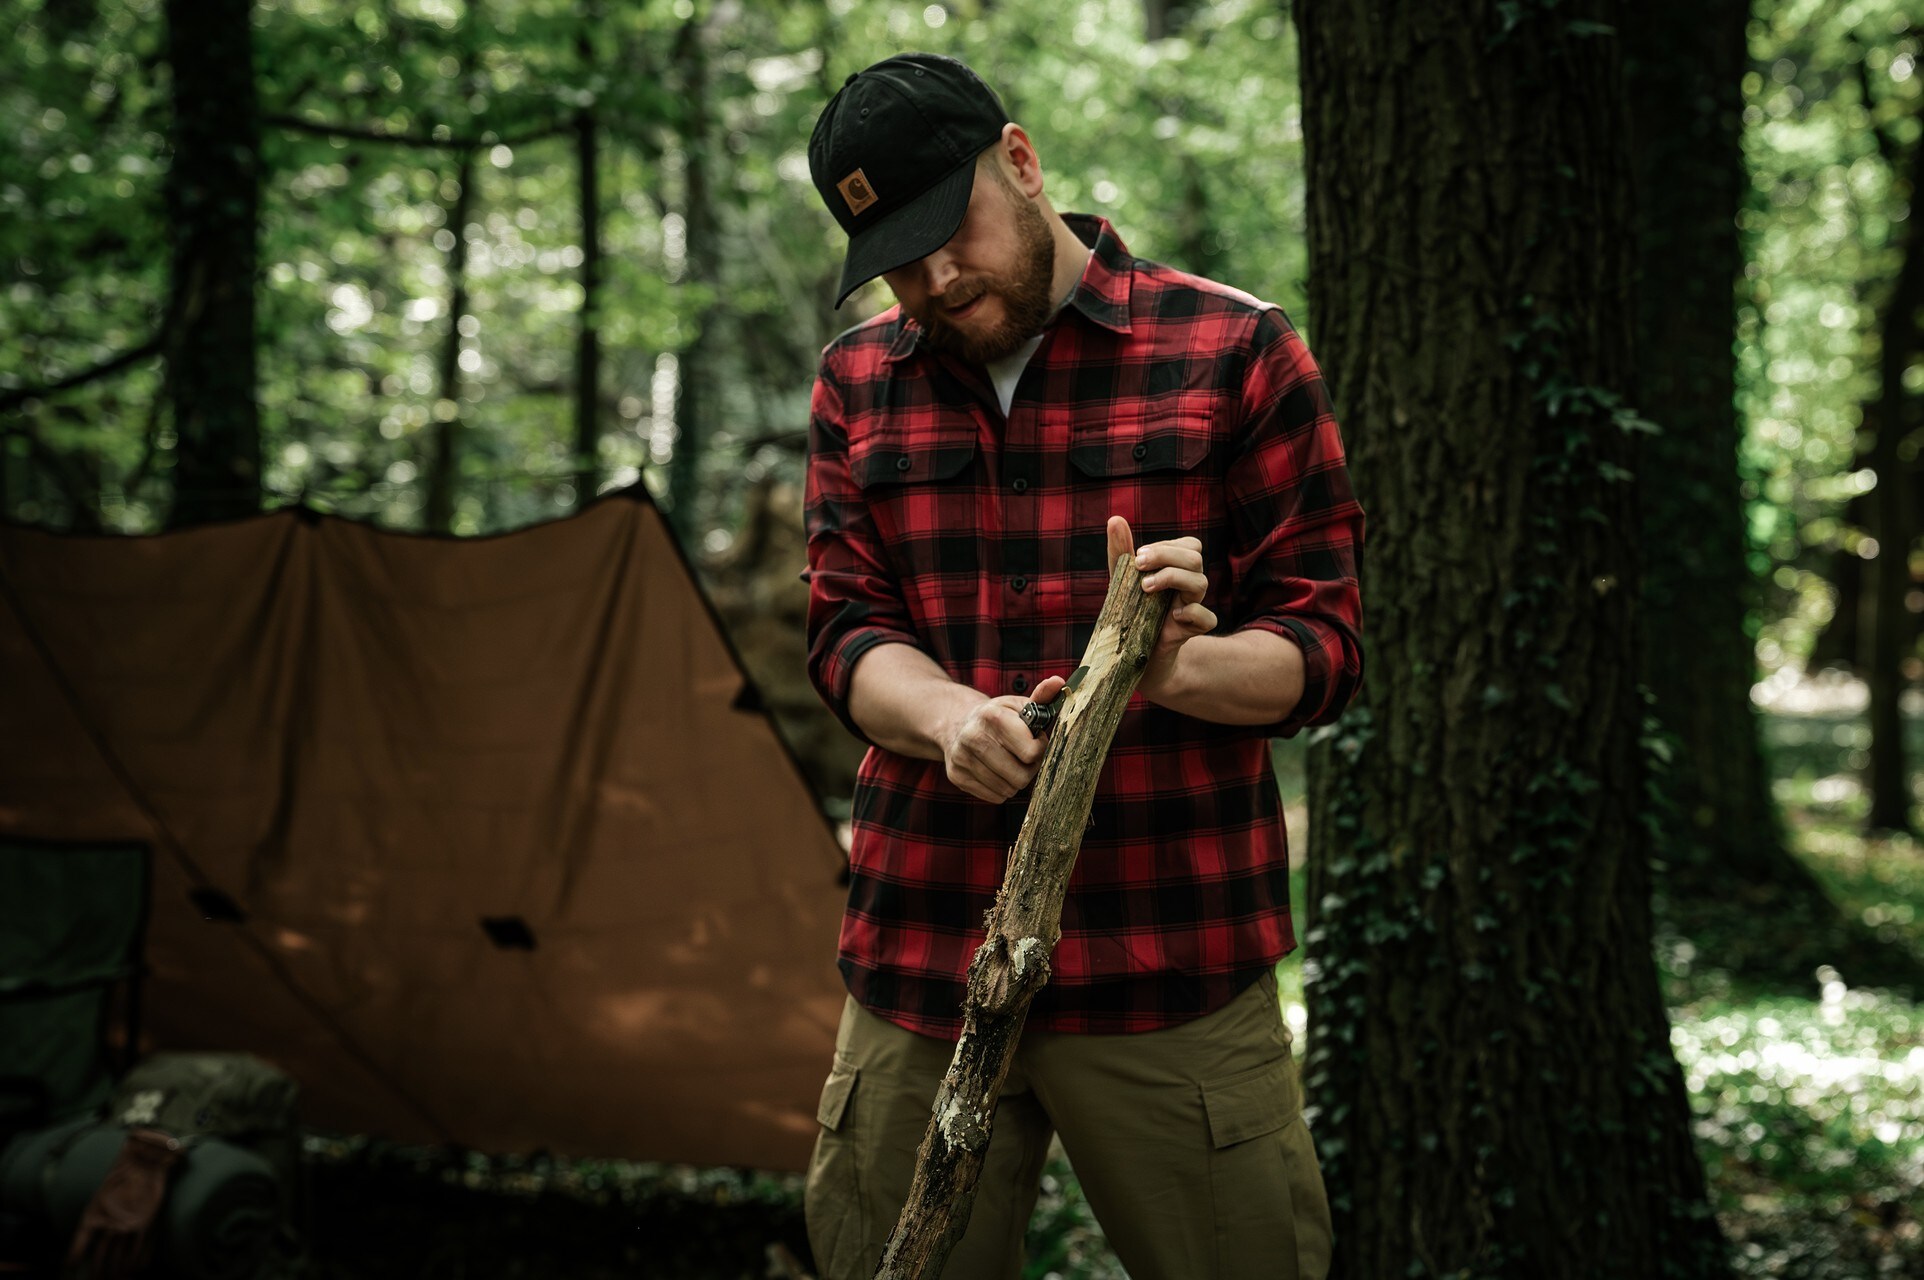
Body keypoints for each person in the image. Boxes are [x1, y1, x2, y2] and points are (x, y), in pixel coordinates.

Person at [800, 51, 1364, 1280]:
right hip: (920, 953)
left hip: (1170, 956)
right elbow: (845, 631)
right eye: (896, 260)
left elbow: (1323, 648)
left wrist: (1174, 673)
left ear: (1019, 159)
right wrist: (949, 717)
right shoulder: (855, 382)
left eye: (947, 232)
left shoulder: (1236, 349)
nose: (934, 279)